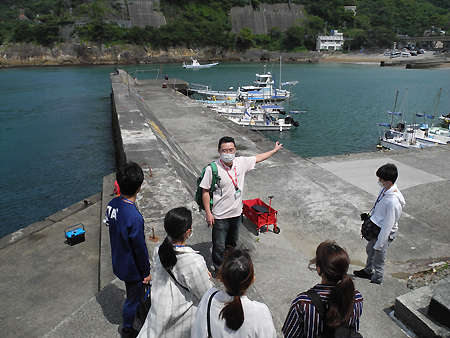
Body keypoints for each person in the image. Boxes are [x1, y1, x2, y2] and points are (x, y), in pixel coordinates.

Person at [200, 136, 282, 270]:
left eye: (231, 150)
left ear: (235, 150)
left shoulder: (241, 162)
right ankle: (219, 268)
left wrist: (274, 151)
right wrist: (208, 214)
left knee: (232, 243)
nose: (228, 153)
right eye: (224, 150)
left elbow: (259, 158)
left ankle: (230, 264)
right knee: (219, 245)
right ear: (219, 151)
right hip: (219, 216)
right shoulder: (212, 169)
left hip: (237, 214)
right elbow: (205, 191)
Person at [138, 207, 212, 338]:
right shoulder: (194, 261)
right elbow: (206, 294)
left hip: (158, 311)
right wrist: (204, 275)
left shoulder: (158, 250)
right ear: (187, 232)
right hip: (181, 321)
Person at [105, 162, 151, 338]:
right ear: (139, 187)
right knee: (132, 299)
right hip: (132, 267)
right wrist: (146, 272)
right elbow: (139, 248)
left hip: (119, 259)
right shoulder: (134, 217)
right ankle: (127, 328)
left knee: (132, 292)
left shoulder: (112, 204)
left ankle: (136, 312)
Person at [282, 241, 363, 338]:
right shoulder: (356, 299)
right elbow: (353, 330)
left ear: (319, 269)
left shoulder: (302, 303)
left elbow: (290, 335)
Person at [191, 249, 276, 338]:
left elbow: (197, 333)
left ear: (221, 278)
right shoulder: (261, 312)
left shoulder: (210, 297)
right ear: (252, 280)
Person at [354, 163, 405, 285]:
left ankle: (377, 279)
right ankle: (367, 271)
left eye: (381, 179)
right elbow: (380, 210)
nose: (379, 181)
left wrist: (380, 244)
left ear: (388, 181)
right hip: (376, 229)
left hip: (383, 234)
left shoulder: (393, 201)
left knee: (378, 258)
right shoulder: (384, 191)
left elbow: (388, 225)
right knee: (370, 250)